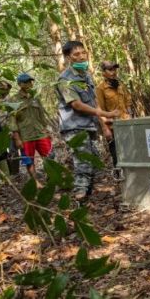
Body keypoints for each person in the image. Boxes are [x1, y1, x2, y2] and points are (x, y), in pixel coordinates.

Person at [56, 41, 119, 200]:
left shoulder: (87, 76)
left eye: (83, 53)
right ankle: (79, 197)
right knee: (83, 162)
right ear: (68, 57)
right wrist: (106, 113)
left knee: (93, 162)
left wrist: (103, 125)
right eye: (76, 54)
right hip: (74, 127)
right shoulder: (64, 80)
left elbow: (93, 102)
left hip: (89, 125)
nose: (81, 56)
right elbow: (76, 104)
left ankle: (86, 195)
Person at [8, 73, 52, 181]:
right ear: (19, 84)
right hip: (25, 135)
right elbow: (12, 121)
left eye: (30, 82)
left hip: (40, 133)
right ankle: (35, 182)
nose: (29, 84)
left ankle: (51, 178)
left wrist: (47, 130)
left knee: (49, 156)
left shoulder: (35, 98)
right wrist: (17, 138)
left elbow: (41, 115)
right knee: (29, 160)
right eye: (26, 82)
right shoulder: (14, 100)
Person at [95, 60, 132, 170]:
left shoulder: (121, 85)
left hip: (127, 124)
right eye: (110, 69)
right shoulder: (100, 89)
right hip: (113, 127)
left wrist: (131, 117)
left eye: (114, 69)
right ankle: (120, 179)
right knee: (117, 156)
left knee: (131, 153)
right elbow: (99, 110)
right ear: (103, 73)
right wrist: (105, 129)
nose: (113, 72)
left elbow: (128, 102)